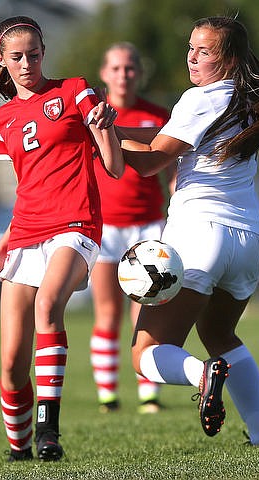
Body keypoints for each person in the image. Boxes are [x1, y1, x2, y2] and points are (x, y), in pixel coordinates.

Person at [118, 16, 259, 444]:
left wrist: (100, 138)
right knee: (218, 334)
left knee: (144, 354)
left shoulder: (200, 98)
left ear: (228, 59)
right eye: (190, 47)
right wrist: (115, 129)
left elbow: (151, 160)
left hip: (198, 235)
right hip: (247, 239)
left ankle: (201, 375)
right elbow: (167, 136)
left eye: (204, 51)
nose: (191, 57)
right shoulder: (252, 99)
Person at [0, 15, 123, 462]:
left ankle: (48, 430)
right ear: (1, 61)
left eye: (35, 55)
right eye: (17, 57)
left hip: (76, 224)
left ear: (45, 54)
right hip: (25, 232)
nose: (27, 64)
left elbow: (114, 166)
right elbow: (23, 194)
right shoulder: (1, 120)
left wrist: (105, 123)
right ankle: (19, 449)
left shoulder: (75, 90)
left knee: (48, 305)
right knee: (10, 362)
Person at [88, 42, 172, 415]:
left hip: (148, 227)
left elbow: (171, 170)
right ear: (105, 74)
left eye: (130, 68)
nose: (124, 74)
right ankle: (108, 397)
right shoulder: (91, 116)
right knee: (107, 313)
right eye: (116, 68)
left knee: (146, 312)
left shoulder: (157, 115)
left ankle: (148, 395)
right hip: (105, 226)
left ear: (139, 72)